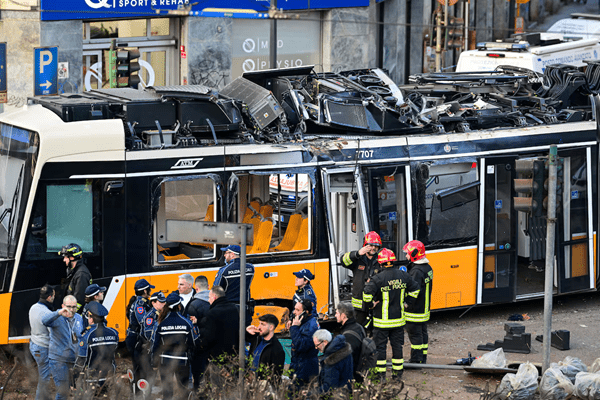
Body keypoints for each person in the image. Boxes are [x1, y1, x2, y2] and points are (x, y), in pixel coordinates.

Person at [363, 248, 419, 381]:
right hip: (398, 321)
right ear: (393, 261)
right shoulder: (403, 275)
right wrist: (407, 303)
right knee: (397, 347)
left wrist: (371, 304)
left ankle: (380, 375)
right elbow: (416, 289)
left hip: (381, 322)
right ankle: (397, 375)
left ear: (381, 263)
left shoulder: (378, 278)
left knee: (380, 348)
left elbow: (366, 295)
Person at [151, 293, 197, 400]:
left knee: (167, 393)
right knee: (183, 391)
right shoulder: (186, 323)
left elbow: (156, 345)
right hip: (182, 361)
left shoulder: (161, 323)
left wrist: (154, 362)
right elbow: (192, 344)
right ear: (179, 306)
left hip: (165, 362)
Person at [42, 295, 83, 400]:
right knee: (63, 392)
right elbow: (44, 321)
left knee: (76, 390)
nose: (71, 310)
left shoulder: (79, 318)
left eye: (74, 307)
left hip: (74, 359)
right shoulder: (57, 317)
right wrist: (59, 312)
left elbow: (81, 337)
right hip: (58, 360)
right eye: (69, 306)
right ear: (63, 306)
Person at [339, 231, 383, 327]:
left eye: (376, 246)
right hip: (360, 304)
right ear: (365, 245)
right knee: (359, 329)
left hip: (375, 303)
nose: (373, 248)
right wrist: (357, 253)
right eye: (370, 245)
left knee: (375, 331)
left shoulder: (381, 259)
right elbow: (343, 260)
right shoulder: (358, 259)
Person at [402, 240, 434, 364]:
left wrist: (406, 303)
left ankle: (416, 361)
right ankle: (422, 358)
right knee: (422, 334)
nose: (406, 256)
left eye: (407, 253)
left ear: (414, 254)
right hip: (424, 309)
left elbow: (413, 291)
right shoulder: (427, 267)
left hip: (414, 311)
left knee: (415, 336)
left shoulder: (416, 271)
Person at [73, 302, 118, 387]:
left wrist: (74, 378)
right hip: (109, 377)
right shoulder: (114, 333)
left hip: (92, 379)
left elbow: (81, 360)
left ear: (91, 318)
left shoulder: (87, 335)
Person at [213, 244, 255, 325]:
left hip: (229, 308)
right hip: (245, 307)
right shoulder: (250, 268)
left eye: (226, 253)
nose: (224, 255)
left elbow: (216, 289)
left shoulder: (224, 270)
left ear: (232, 254)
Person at [198, 285, 239, 363]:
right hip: (233, 354)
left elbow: (209, 337)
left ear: (214, 297)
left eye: (209, 297)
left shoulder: (212, 312)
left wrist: (200, 345)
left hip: (218, 356)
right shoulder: (234, 308)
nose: (208, 300)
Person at [125, 278, 155, 384]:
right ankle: (138, 391)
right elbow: (143, 321)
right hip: (135, 338)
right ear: (145, 291)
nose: (150, 292)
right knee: (140, 366)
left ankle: (139, 389)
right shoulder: (139, 304)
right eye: (149, 289)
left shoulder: (140, 302)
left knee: (140, 366)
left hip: (135, 337)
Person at [28, 284, 55, 400]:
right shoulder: (46, 313)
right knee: (44, 378)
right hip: (42, 348)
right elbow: (53, 335)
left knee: (44, 375)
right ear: (49, 297)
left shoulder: (33, 307)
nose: (54, 297)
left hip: (34, 345)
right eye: (53, 295)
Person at [287, 299, 319, 388]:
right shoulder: (302, 320)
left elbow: (301, 345)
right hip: (298, 364)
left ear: (306, 312)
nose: (294, 312)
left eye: (297, 310)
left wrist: (294, 328)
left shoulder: (311, 326)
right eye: (294, 309)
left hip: (305, 369)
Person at [186, 275, 211, 389]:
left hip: (199, 345)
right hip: (213, 344)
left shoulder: (193, 305)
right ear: (209, 286)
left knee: (198, 374)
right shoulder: (215, 302)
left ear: (196, 289)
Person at [246, 313, 286, 381]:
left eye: (262, 324)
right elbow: (240, 340)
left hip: (262, 384)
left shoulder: (277, 349)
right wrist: (247, 331)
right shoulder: (257, 338)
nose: (259, 327)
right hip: (249, 379)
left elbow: (276, 375)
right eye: (259, 324)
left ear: (271, 327)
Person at [313, 329, 353, 394]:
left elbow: (329, 386)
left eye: (317, 345)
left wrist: (312, 394)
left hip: (337, 395)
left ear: (325, 342)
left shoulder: (331, 359)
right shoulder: (343, 348)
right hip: (346, 392)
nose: (316, 348)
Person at [335, 300, 365, 381]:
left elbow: (348, 360)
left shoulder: (348, 336)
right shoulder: (358, 327)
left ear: (343, 316)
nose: (335, 315)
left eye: (337, 313)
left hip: (353, 377)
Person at [59, 243, 92, 312]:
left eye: (65, 257)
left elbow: (79, 299)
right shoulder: (73, 270)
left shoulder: (81, 274)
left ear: (72, 258)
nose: (64, 260)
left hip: (77, 315)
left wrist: (70, 313)